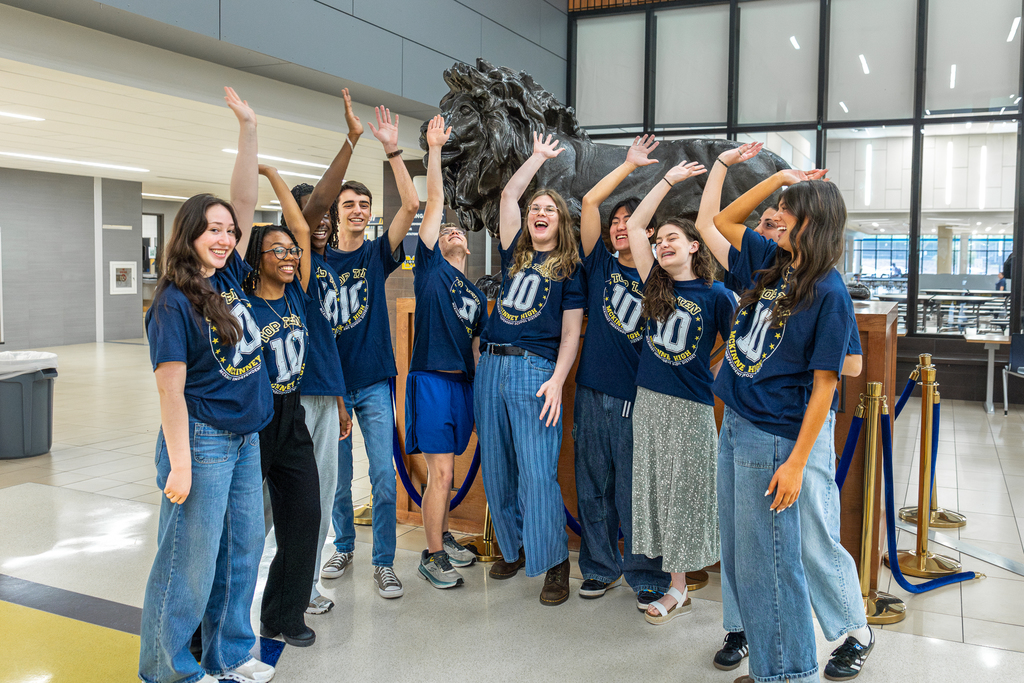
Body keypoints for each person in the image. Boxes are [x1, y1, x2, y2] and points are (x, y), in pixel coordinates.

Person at [696, 144, 868, 679]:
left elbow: (826, 386)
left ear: (810, 221)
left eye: (787, 211)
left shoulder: (829, 292)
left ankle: (788, 672)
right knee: (748, 559)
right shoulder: (772, 263)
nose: (776, 219)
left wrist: (795, 462)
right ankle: (773, 664)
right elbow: (721, 219)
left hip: (774, 437)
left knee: (774, 563)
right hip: (739, 424)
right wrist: (779, 179)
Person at [139, 87, 276, 683]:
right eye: (212, 230)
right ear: (188, 234)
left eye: (228, 230)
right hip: (201, 441)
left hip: (245, 440)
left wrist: (248, 130)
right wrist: (181, 464)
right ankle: (170, 671)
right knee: (187, 566)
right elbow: (170, 391)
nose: (224, 237)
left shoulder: (233, 277)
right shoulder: (173, 302)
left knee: (241, 557)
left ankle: (228, 656)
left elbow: (244, 197)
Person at [620, 158, 735, 625]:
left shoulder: (718, 295)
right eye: (660, 239)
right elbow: (635, 224)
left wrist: (713, 370)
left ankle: (679, 587)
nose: (663, 243)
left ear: (694, 246)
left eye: (674, 238)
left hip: (690, 408)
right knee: (656, 491)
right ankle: (675, 584)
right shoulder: (655, 282)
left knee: (685, 493)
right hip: (649, 400)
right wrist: (668, 180)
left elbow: (736, 348)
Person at [475, 132, 586, 606]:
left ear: (562, 223)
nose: (540, 215)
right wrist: (537, 159)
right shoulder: (514, 256)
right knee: (497, 466)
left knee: (538, 472)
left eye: (551, 210)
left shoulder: (570, 270)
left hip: (534, 371)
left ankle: (555, 563)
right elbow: (507, 195)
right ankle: (515, 547)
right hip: (490, 368)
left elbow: (570, 335)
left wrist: (558, 381)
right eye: (536, 209)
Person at [320, 105, 421, 599]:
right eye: (349, 205)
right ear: (335, 214)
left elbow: (410, 205)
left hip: (375, 381)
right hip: (329, 390)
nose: (358, 210)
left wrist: (391, 149)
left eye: (363, 204)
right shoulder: (315, 262)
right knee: (337, 481)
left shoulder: (375, 254)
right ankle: (343, 544)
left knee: (383, 475)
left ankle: (383, 560)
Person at [572, 134, 671, 608]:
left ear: (648, 231)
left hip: (639, 397)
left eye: (631, 222)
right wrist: (630, 165)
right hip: (591, 391)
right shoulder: (599, 267)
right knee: (592, 487)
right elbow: (590, 199)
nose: (620, 227)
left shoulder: (659, 277)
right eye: (616, 221)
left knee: (637, 491)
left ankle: (644, 572)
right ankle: (597, 566)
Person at [282, 88, 360, 616]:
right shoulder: (296, 266)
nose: (326, 222)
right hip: (294, 398)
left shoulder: (328, 270)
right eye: (319, 215)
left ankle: (305, 586)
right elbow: (312, 209)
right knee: (284, 502)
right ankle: (284, 586)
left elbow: (329, 343)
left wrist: (340, 400)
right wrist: (351, 142)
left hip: (327, 394)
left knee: (324, 491)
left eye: (328, 217)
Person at [241, 164, 321, 647]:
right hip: (252, 418)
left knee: (304, 516)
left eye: (292, 252)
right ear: (257, 257)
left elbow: (302, 230)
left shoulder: (297, 293)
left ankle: (283, 614)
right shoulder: (243, 302)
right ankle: (213, 625)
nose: (290, 256)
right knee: (245, 530)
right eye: (279, 251)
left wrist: (274, 176)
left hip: (291, 416)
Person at [406, 115, 487, 588]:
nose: (453, 232)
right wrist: (434, 149)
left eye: (460, 233)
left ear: (470, 251)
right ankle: (431, 552)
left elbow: (476, 346)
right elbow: (435, 201)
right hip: (431, 380)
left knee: (449, 471)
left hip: (461, 385)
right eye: (447, 231)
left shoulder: (474, 295)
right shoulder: (430, 269)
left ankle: (444, 536)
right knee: (440, 471)